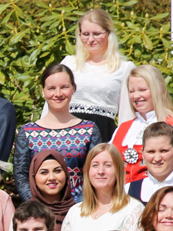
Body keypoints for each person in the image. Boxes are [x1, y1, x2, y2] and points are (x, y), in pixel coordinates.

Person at [14, 65, 99, 203]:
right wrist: (36, 207)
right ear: (43, 91)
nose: (58, 94)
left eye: (64, 87)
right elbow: (21, 175)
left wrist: (79, 207)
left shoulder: (89, 130)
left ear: (73, 88)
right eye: (51, 88)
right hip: (40, 209)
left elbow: (94, 172)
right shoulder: (28, 132)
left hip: (81, 207)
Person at [57, 144, 144, 231]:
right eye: (95, 165)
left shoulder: (133, 210)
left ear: (118, 170)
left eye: (108, 165)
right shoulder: (75, 212)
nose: (100, 171)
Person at [52, 9, 135, 142]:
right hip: (66, 134)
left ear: (108, 33)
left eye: (96, 34)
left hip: (103, 135)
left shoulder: (124, 68)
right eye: (85, 34)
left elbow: (127, 113)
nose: (90, 39)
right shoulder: (69, 63)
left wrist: (125, 143)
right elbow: (52, 100)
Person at [113, 65, 173, 184]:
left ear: (160, 89)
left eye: (142, 90)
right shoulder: (122, 128)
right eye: (132, 91)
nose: (136, 96)